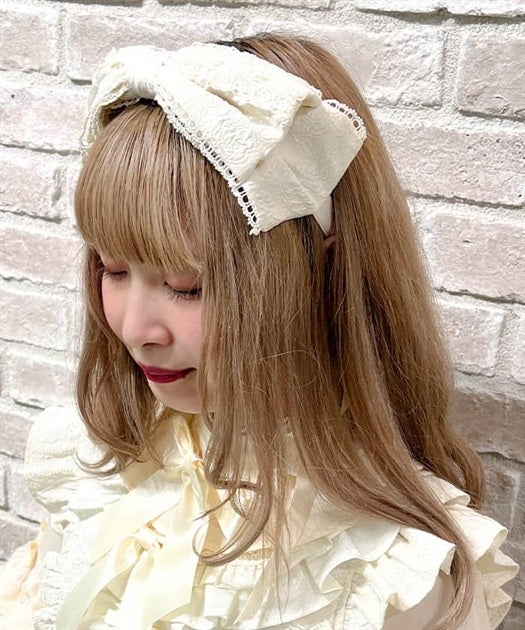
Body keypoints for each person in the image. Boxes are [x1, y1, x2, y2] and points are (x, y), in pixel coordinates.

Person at [0, 34, 518, 630]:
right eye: (113, 270)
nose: (135, 329)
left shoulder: (390, 577)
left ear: (320, 274)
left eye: (187, 286)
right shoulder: (92, 462)